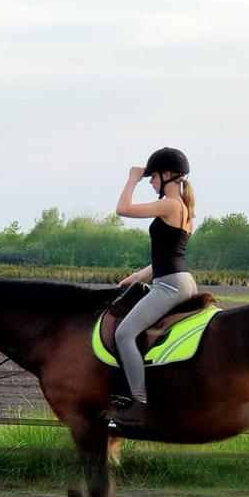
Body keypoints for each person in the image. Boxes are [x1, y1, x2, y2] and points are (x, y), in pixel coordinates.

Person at [108, 146, 198, 432]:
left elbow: (122, 209)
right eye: (147, 178)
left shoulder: (171, 205)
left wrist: (132, 178)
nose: (150, 182)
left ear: (168, 175)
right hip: (180, 279)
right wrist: (137, 276)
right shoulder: (186, 210)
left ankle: (138, 406)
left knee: (124, 334)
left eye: (153, 177)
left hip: (169, 285)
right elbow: (168, 255)